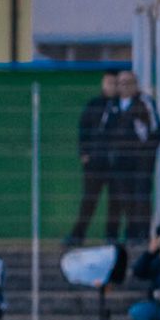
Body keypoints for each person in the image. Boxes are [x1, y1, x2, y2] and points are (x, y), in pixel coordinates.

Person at [108, 71, 160, 242]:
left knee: (141, 197)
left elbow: (155, 130)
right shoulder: (112, 105)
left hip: (141, 161)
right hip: (120, 161)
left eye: (129, 82)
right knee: (124, 198)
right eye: (122, 83)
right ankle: (129, 233)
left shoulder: (144, 103)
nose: (125, 86)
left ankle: (142, 233)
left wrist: (146, 154)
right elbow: (105, 131)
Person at [65, 72, 117, 245]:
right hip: (95, 162)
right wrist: (84, 154)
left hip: (114, 163)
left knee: (115, 201)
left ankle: (111, 236)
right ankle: (78, 235)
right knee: (89, 200)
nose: (111, 87)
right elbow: (84, 129)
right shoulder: (94, 105)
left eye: (114, 83)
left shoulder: (121, 106)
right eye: (108, 83)